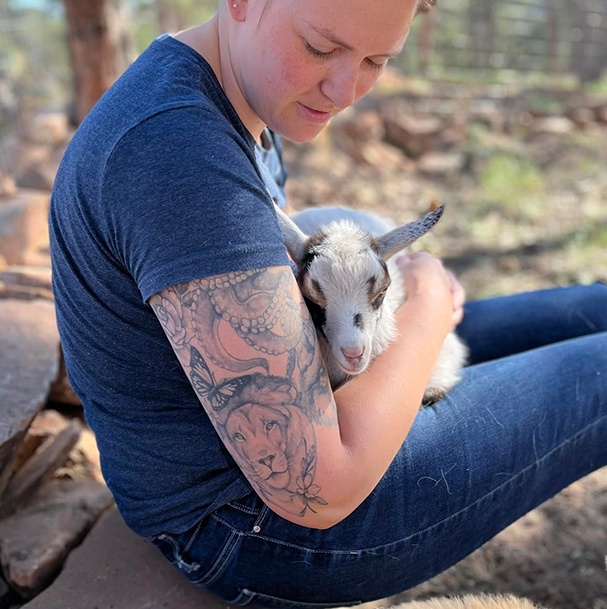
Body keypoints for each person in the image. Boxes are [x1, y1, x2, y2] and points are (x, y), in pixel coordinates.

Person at [49, 0, 606, 607]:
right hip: (251, 526)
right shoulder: (178, 149)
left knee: (593, 310)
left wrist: (403, 282)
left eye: (376, 60)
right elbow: (316, 486)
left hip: (320, 395)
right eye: (320, 48)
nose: (346, 90)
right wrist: (427, 307)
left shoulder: (241, 94)